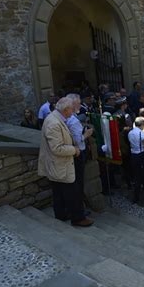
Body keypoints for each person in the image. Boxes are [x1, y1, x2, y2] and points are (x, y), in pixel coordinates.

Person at [38, 97, 93, 227]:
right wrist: (74, 150)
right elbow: (57, 148)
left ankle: (61, 215)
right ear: (66, 109)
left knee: (59, 191)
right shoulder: (54, 123)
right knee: (71, 191)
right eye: (71, 110)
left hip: (58, 164)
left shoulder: (55, 119)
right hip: (61, 163)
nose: (73, 112)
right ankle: (78, 218)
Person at [65, 93, 94, 213]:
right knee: (78, 183)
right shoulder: (73, 120)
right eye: (77, 103)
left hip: (71, 153)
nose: (79, 106)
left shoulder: (66, 118)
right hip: (78, 153)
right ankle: (79, 210)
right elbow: (78, 139)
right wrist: (87, 134)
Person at [128, 117, 144, 203]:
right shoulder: (142, 134)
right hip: (141, 155)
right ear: (142, 125)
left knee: (136, 176)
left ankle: (136, 196)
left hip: (133, 155)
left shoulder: (130, 133)